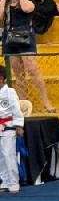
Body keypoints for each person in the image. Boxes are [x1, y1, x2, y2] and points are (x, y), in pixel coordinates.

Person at [0, 0, 55, 112]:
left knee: (33, 70)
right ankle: (23, 104)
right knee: (18, 75)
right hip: (10, 40)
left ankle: (46, 101)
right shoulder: (5, 1)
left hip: (26, 38)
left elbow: (27, 8)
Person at [0, 63, 21, 192]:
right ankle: (5, 181)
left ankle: (14, 182)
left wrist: (18, 125)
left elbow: (16, 110)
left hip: (8, 126)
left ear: (3, 79)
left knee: (9, 154)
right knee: (1, 156)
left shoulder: (9, 92)